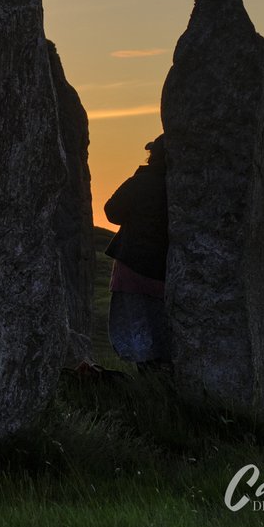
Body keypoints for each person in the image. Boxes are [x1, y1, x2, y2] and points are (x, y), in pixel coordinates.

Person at [104, 134, 171, 370]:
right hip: (165, 269)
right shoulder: (177, 186)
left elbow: (112, 211)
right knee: (162, 328)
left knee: (137, 327)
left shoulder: (140, 183)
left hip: (132, 267)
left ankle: (148, 381)